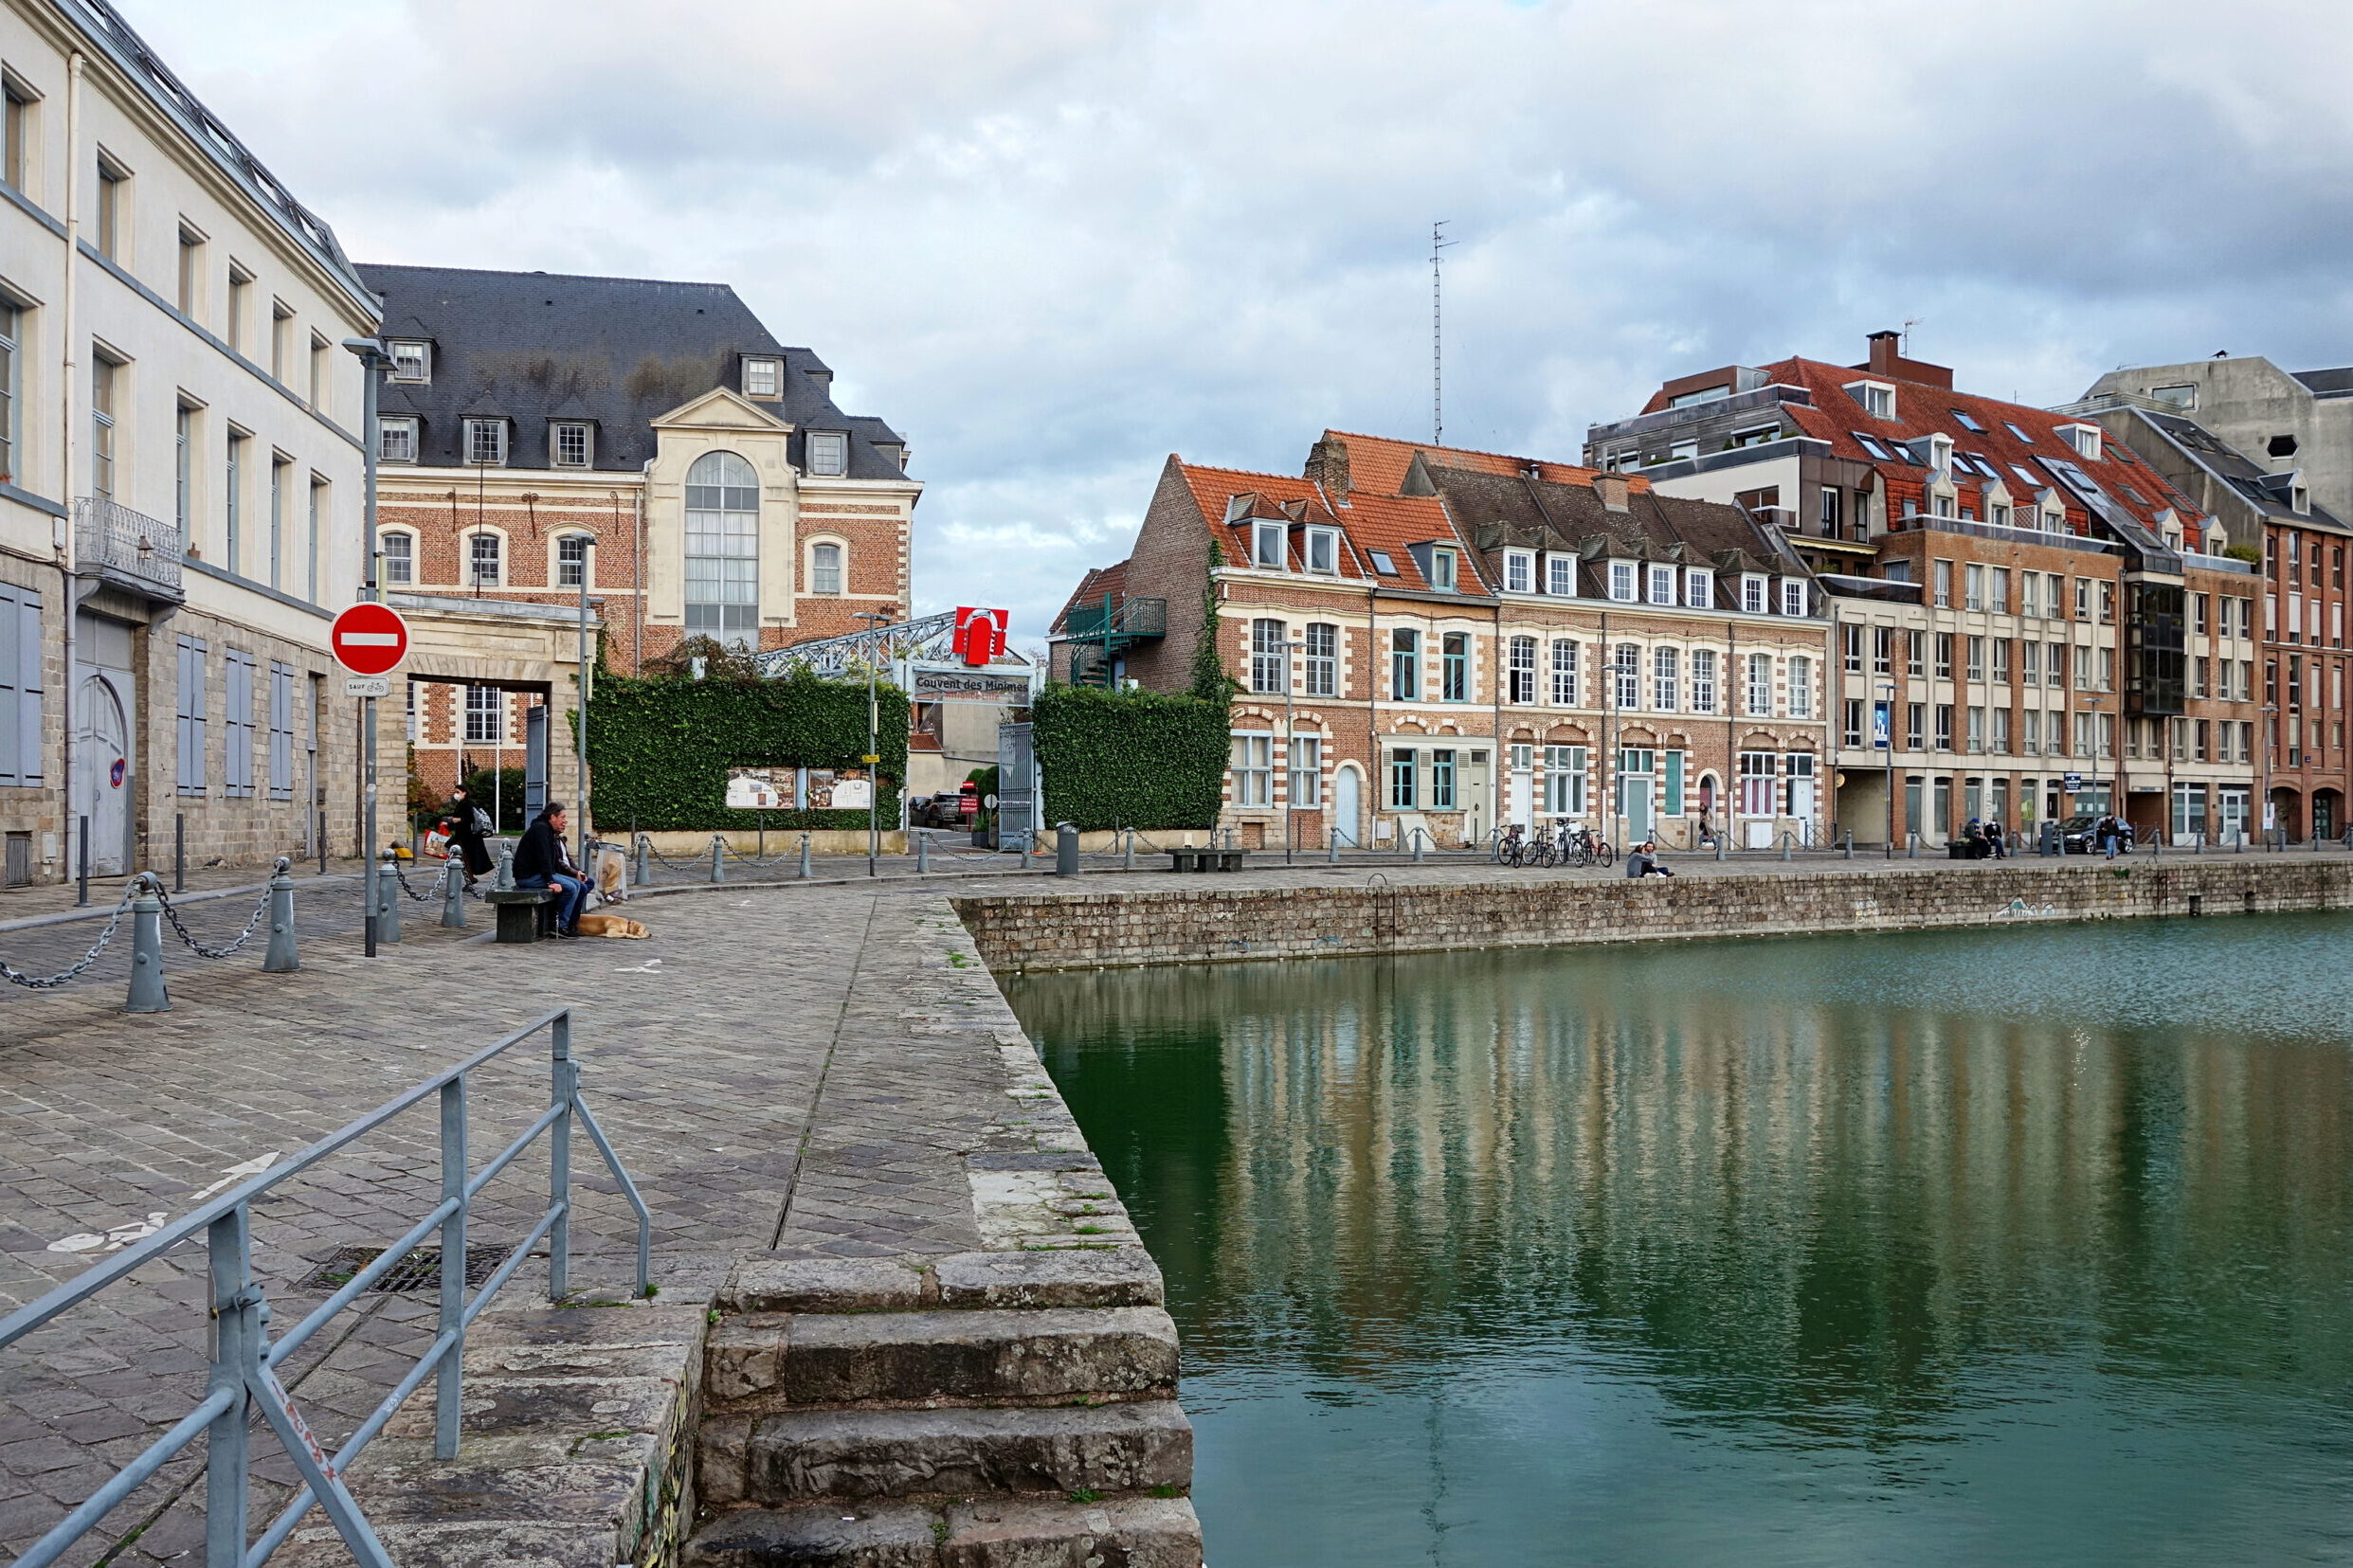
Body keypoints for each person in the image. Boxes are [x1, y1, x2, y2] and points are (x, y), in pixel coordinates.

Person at [514, 801, 588, 937]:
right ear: (553, 817)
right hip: (529, 876)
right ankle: (559, 925)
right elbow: (543, 858)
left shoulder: (549, 830)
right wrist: (550, 881)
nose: (565, 821)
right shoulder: (541, 829)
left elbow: (554, 860)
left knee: (581, 886)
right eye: (562, 817)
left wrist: (574, 873)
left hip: (540, 874)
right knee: (571, 888)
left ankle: (571, 924)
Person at [442, 784, 495, 886]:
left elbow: (469, 819)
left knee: (464, 857)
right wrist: (450, 823)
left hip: (468, 837)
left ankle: (470, 879)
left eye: (458, 792)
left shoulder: (468, 804)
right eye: (455, 792)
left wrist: (456, 820)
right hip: (464, 836)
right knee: (464, 858)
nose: (455, 794)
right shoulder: (462, 804)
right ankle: (470, 879)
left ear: (464, 793)